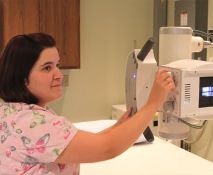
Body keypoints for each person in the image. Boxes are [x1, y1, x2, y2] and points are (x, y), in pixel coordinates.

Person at [0, 33, 175, 175]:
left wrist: (118, 127)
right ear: (22, 77)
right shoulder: (34, 122)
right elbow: (107, 148)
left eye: (57, 65)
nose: (59, 74)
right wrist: (153, 102)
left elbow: (71, 145)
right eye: (47, 68)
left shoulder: (13, 113)